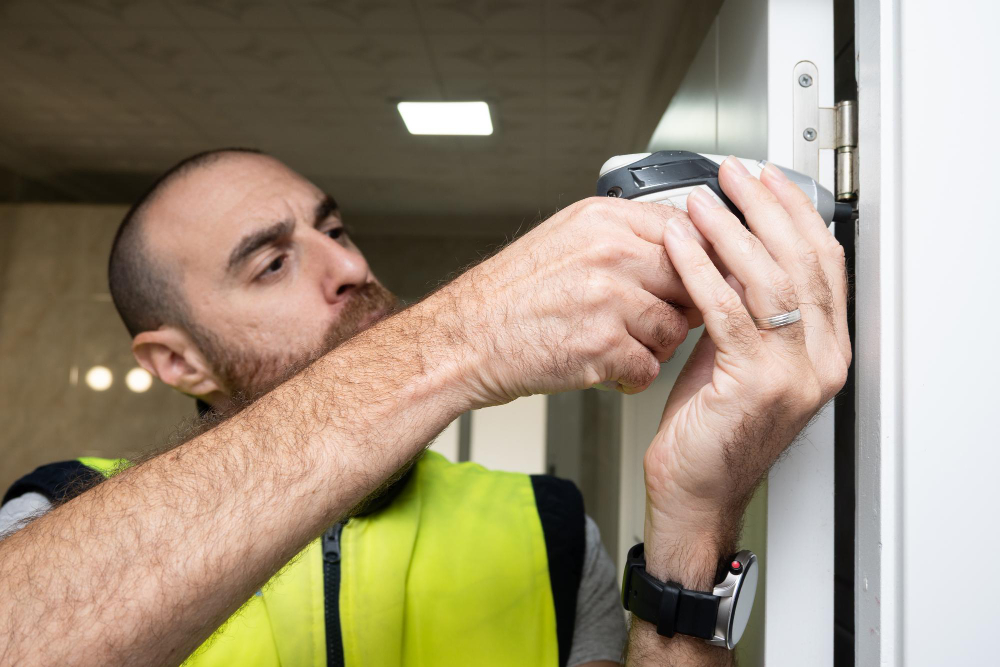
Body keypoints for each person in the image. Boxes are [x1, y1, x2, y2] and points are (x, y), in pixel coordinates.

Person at [0, 151, 849, 667]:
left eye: (332, 228)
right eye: (269, 263)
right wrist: (465, 335)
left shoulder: (549, 528)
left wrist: (695, 520)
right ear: (176, 359)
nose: (346, 264)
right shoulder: (59, 513)